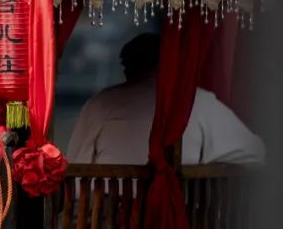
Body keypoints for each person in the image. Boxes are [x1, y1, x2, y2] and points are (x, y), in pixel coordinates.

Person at [67, 33, 265, 165]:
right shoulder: (198, 101)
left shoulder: (101, 104)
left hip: (109, 214)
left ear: (127, 67)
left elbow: (76, 165)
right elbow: (256, 154)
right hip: (184, 212)